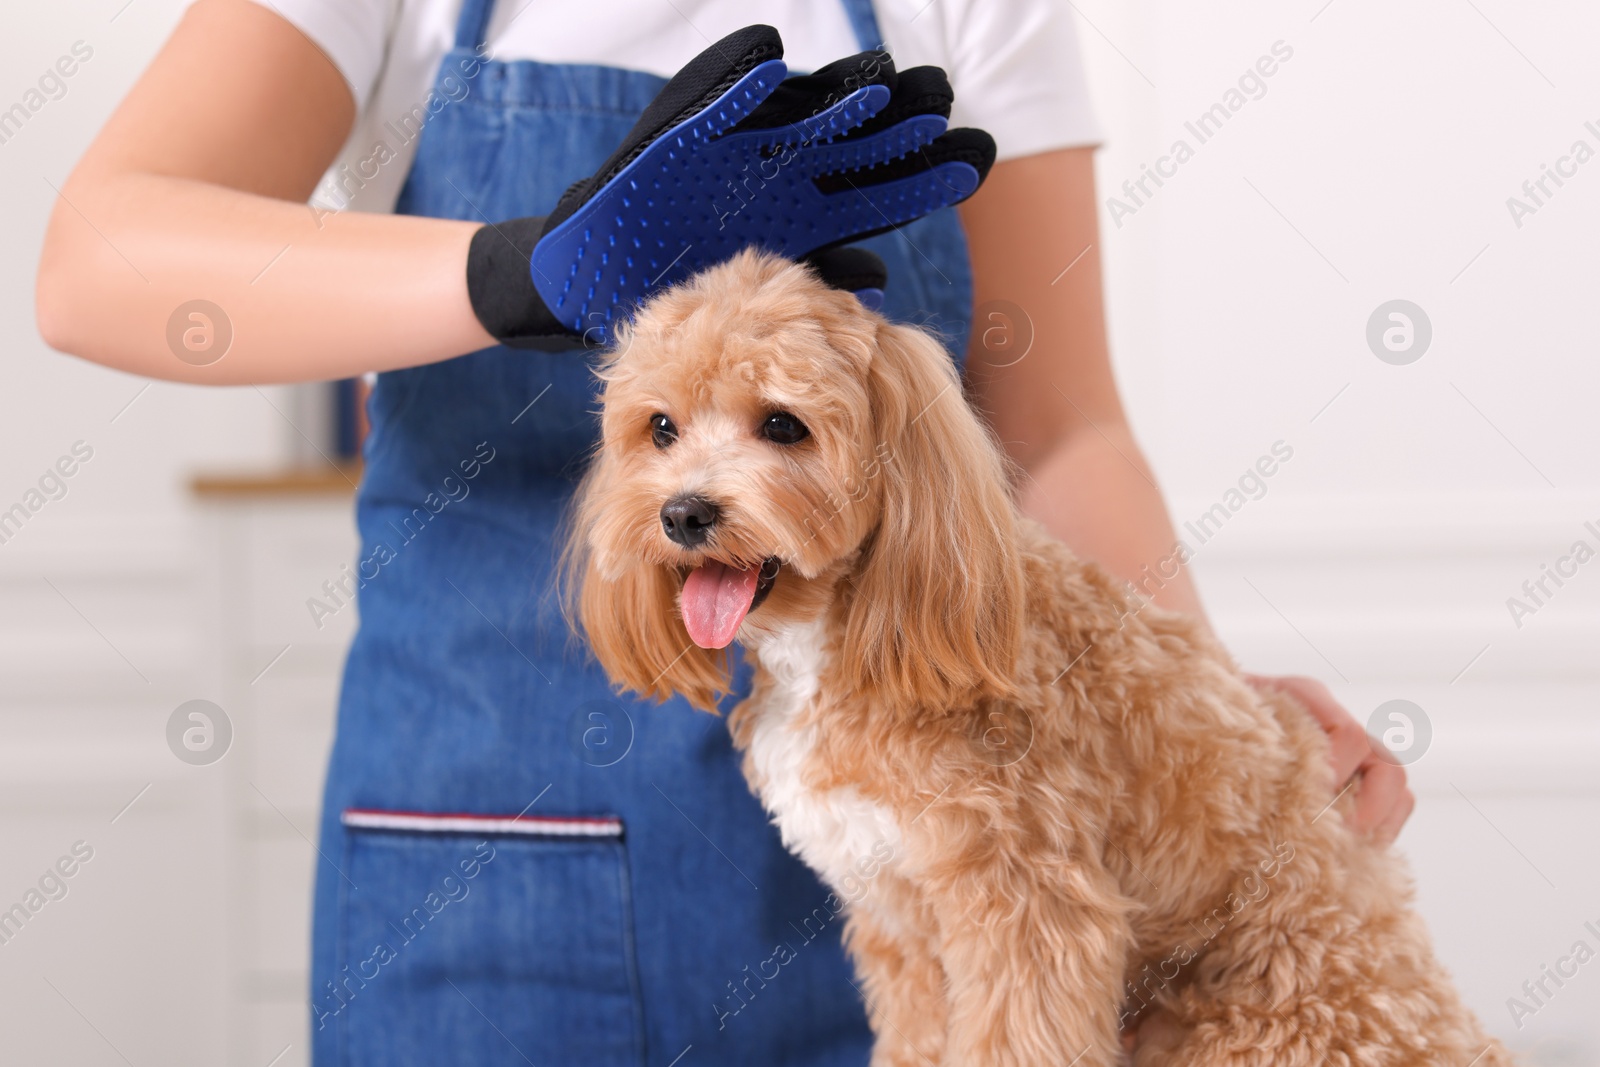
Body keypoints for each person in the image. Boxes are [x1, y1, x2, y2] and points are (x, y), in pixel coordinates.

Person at [35, 1, 1414, 1063]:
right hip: (484, 867)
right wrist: (522, 270)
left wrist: (1203, 721)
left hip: (924, 883)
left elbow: (1051, 430)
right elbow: (96, 262)